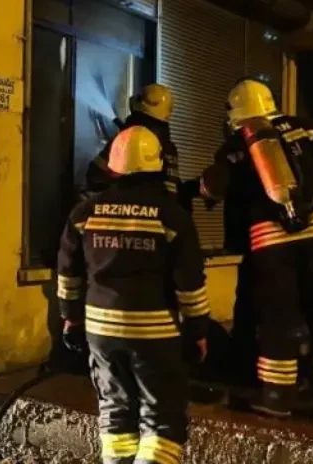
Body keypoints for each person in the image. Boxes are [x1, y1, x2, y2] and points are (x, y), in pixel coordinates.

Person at [199, 78, 313, 419]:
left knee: (277, 319)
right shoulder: (307, 129)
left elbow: (220, 192)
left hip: (273, 244)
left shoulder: (235, 146)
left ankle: (277, 397)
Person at [58, 125, 210, 464]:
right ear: (158, 166)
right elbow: (190, 284)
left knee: (115, 412)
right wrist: (197, 331)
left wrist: (71, 319)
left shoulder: (84, 213)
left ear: (113, 167)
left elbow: (68, 274)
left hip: (101, 331)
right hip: (155, 334)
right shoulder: (172, 216)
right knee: (162, 419)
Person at [87, 84, 194, 209]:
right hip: (161, 214)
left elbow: (94, 176)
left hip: (130, 212)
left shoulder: (126, 140)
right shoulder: (169, 147)